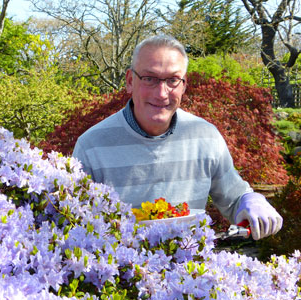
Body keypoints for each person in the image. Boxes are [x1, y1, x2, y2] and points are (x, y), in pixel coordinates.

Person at [72, 35, 282, 240]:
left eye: (172, 80)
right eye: (149, 79)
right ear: (129, 81)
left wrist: (250, 200)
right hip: (118, 272)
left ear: (184, 85)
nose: (162, 93)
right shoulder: (91, 146)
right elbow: (75, 223)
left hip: (190, 270)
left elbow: (234, 199)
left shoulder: (205, 137)